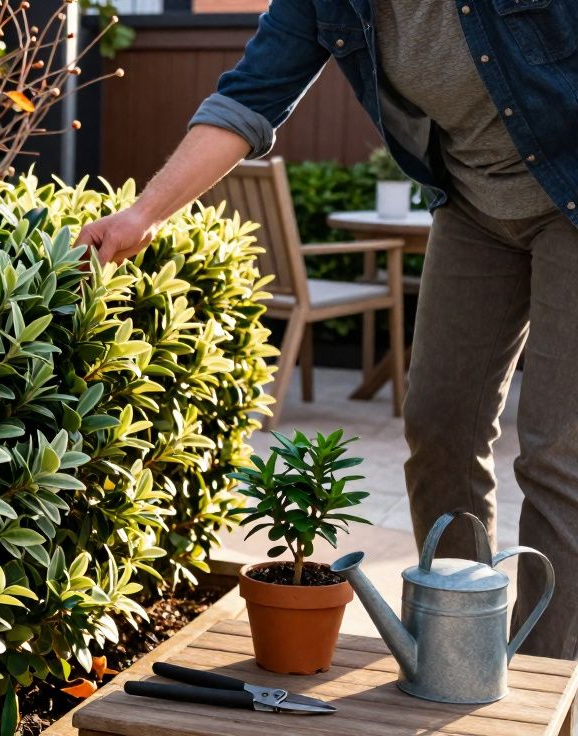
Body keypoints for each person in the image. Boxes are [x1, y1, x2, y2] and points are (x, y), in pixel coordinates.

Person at [78, 1, 578, 659]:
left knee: (557, 453)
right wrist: (142, 215)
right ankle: (458, 654)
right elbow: (249, 99)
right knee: (439, 424)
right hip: (475, 208)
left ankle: (552, 685)